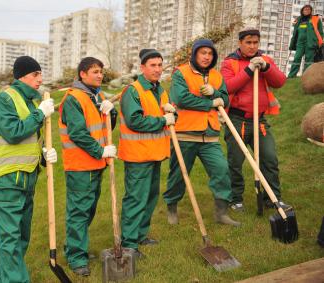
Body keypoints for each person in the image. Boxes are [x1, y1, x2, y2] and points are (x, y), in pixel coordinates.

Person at [0, 55, 57, 282]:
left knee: (20, 238)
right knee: (11, 239)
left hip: (26, 180)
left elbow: (29, 139)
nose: (40, 79)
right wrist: (40, 114)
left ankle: (1, 279)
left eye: (41, 74)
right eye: (35, 74)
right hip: (6, 179)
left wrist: (44, 154)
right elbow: (13, 132)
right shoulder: (5, 99)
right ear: (21, 76)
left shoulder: (30, 102)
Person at [163, 39, 240, 227]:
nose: (207, 57)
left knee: (221, 170)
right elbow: (181, 99)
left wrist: (215, 93)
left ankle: (221, 213)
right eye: (203, 53)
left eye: (210, 53)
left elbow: (225, 99)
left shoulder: (216, 75)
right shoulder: (181, 73)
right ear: (195, 54)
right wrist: (209, 103)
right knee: (179, 174)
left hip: (210, 134)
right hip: (185, 134)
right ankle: (172, 207)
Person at [58, 57, 117, 276]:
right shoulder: (74, 99)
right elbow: (77, 133)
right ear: (82, 74)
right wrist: (100, 151)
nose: (100, 75)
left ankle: (75, 248)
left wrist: (111, 111)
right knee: (79, 212)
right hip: (80, 166)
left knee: (88, 209)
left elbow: (106, 126)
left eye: (101, 71)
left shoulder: (96, 96)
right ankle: (76, 257)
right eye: (95, 71)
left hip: (96, 164)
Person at [221, 28, 291, 212]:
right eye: (248, 43)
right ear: (240, 43)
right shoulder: (230, 63)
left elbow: (280, 81)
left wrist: (265, 67)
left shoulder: (265, 61)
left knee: (269, 159)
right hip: (237, 120)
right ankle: (235, 199)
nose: (252, 46)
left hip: (260, 121)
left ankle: (272, 198)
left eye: (255, 43)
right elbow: (227, 86)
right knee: (235, 162)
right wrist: (249, 69)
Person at [118, 49, 173, 257]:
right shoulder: (133, 91)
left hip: (155, 153)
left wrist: (170, 110)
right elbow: (135, 121)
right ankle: (129, 244)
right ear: (142, 67)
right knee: (136, 199)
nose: (158, 69)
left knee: (150, 197)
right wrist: (162, 120)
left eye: (160, 65)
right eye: (153, 65)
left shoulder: (159, 89)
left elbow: (156, 111)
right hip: (138, 156)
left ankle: (140, 235)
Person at [288, 4, 323, 78]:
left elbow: (321, 32)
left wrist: (319, 42)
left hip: (310, 43)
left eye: (308, 9)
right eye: (305, 9)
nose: (307, 10)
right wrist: (293, 43)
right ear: (302, 11)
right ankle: (291, 76)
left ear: (311, 11)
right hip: (300, 43)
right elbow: (295, 32)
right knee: (297, 58)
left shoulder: (315, 19)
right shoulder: (298, 19)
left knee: (308, 60)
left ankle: (306, 76)